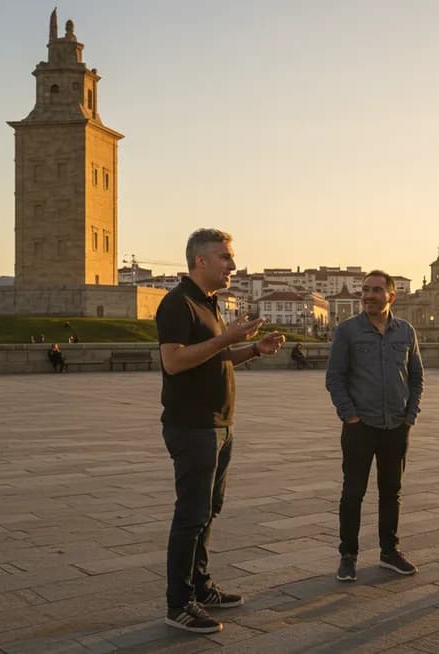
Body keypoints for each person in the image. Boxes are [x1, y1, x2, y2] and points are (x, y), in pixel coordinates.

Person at [157, 228, 285, 635]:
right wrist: (228, 336)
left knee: (208, 511)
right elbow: (175, 362)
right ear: (200, 261)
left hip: (219, 423)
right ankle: (179, 604)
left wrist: (251, 349)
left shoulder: (208, 303)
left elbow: (214, 356)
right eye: (225, 257)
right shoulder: (177, 304)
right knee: (191, 515)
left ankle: (200, 586)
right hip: (192, 425)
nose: (232, 264)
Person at [326, 270, 424, 583]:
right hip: (361, 425)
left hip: (396, 425)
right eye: (365, 290)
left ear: (391, 296)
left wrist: (411, 415)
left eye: (376, 290)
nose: (368, 295)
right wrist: (349, 415)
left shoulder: (405, 331)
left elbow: (416, 376)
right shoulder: (347, 331)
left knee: (391, 491)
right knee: (353, 491)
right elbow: (335, 377)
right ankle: (348, 554)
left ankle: (389, 551)